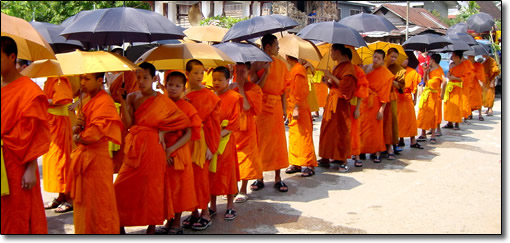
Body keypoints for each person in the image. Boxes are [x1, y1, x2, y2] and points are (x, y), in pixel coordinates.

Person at [114, 62, 190, 234]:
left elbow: (183, 122)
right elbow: (128, 124)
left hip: (153, 148)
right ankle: (120, 225)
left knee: (152, 188)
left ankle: (151, 228)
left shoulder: (161, 99)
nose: (141, 81)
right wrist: (122, 101)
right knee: (120, 186)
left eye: (145, 78)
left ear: (154, 78)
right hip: (134, 146)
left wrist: (162, 130)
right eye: (138, 77)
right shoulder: (132, 97)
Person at [1, 36, 50, 234]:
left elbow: (36, 133)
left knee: (18, 214)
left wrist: (31, 167)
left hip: (18, 164)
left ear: (12, 57)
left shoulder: (29, 90)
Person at [66, 72, 124, 234]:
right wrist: (78, 125)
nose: (82, 83)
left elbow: (93, 135)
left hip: (96, 162)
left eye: (87, 79)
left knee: (99, 205)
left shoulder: (104, 102)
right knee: (85, 205)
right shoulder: (88, 100)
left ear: (99, 81)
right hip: (86, 158)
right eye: (81, 78)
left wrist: (77, 135)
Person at [156, 71, 200, 234]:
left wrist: (171, 150)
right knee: (166, 188)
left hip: (179, 151)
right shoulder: (161, 104)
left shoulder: (187, 106)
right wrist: (163, 150)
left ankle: (176, 223)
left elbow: (189, 134)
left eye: (177, 85)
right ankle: (168, 221)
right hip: (162, 151)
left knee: (179, 189)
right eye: (170, 85)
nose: (173, 88)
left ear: (184, 87)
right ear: (165, 86)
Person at [182, 59, 221, 231]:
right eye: (195, 73)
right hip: (185, 141)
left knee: (200, 178)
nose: (199, 76)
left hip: (202, 140)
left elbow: (214, 124)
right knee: (188, 178)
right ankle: (194, 211)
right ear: (187, 74)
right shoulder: (184, 94)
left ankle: (205, 212)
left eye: (201, 72)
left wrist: (211, 147)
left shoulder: (210, 96)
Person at [252, 34, 290, 193]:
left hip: (275, 108)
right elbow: (254, 88)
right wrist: (265, 73)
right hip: (260, 107)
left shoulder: (281, 65)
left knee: (277, 143)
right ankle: (259, 177)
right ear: (267, 47)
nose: (278, 48)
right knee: (260, 143)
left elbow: (283, 90)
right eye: (276, 45)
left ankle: (278, 177)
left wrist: (284, 108)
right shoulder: (256, 64)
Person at [317, 44, 357, 171]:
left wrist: (331, 75)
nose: (331, 54)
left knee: (341, 131)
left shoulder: (349, 68)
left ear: (338, 51)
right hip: (332, 103)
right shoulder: (338, 67)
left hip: (341, 105)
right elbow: (335, 86)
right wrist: (327, 82)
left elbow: (346, 87)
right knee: (327, 130)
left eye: (332, 51)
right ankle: (326, 157)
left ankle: (343, 160)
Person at [209, 66, 241, 221]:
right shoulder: (209, 97)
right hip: (211, 140)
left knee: (227, 173)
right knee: (211, 173)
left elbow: (234, 123)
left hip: (225, 140)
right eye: (214, 79)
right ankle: (212, 205)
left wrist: (218, 135)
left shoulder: (234, 97)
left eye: (220, 79)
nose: (216, 82)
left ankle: (230, 204)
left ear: (228, 81)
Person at [42, 76, 74, 214]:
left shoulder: (61, 80)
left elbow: (64, 100)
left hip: (60, 124)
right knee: (53, 162)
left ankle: (70, 197)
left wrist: (43, 101)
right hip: (51, 123)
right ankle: (60, 195)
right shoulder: (50, 79)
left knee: (62, 161)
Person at [232, 63, 263, 203]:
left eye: (242, 71)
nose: (239, 75)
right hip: (232, 128)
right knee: (231, 159)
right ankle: (232, 188)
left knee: (246, 158)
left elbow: (247, 106)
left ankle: (243, 189)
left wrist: (240, 88)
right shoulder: (229, 87)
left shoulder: (254, 88)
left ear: (248, 72)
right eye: (237, 71)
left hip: (247, 128)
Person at [284, 55, 317, 177]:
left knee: (304, 136)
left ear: (288, 57)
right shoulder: (294, 69)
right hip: (292, 107)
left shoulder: (298, 70)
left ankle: (309, 164)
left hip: (299, 108)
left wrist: (297, 107)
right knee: (294, 137)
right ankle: (296, 162)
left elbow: (300, 90)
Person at [359, 49, 394, 163]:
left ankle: (377, 152)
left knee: (376, 130)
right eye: (374, 57)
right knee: (362, 128)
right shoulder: (365, 68)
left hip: (376, 103)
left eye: (379, 58)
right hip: (364, 102)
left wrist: (381, 109)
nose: (375, 60)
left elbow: (385, 93)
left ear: (383, 60)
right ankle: (362, 150)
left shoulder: (386, 74)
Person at [396, 57, 422, 149]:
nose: (406, 61)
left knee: (411, 121)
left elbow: (415, 87)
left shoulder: (412, 72)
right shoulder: (395, 70)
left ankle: (413, 140)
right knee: (399, 120)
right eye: (404, 59)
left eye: (407, 59)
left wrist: (415, 99)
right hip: (397, 98)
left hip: (407, 98)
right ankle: (400, 139)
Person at [384, 48, 406, 158]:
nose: (393, 59)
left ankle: (391, 145)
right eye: (392, 56)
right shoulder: (381, 65)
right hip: (379, 98)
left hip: (391, 98)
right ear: (387, 55)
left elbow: (401, 86)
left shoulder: (398, 69)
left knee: (391, 122)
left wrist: (392, 81)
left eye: (395, 57)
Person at [416, 54, 443, 144]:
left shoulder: (439, 70)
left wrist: (442, 93)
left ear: (433, 60)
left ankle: (433, 135)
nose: (428, 61)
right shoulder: (429, 69)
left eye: (430, 59)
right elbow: (425, 81)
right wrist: (426, 73)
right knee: (423, 113)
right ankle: (423, 133)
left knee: (433, 115)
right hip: (426, 94)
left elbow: (439, 82)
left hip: (434, 95)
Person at [350, 61, 369, 168]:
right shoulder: (340, 68)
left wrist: (357, 108)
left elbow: (362, 90)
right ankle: (340, 156)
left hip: (353, 104)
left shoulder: (357, 71)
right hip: (340, 105)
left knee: (354, 131)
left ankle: (356, 155)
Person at [443, 51, 465, 130]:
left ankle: (457, 122)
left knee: (457, 106)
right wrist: (450, 76)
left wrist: (455, 78)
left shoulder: (463, 66)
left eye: (453, 56)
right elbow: (448, 74)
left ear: (458, 57)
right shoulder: (451, 65)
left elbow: (465, 78)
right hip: (450, 88)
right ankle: (449, 122)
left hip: (458, 88)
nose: (452, 57)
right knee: (449, 105)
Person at [466, 52, 485, 121]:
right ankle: (470, 114)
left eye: (470, 57)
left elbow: (481, 75)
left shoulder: (479, 65)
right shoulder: (467, 65)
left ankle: (480, 114)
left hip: (476, 84)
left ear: (473, 57)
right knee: (469, 100)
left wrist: (473, 73)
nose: (469, 58)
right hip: (468, 84)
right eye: (468, 57)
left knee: (478, 99)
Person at [459, 54, 474, 124]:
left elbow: (470, 73)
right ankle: (459, 116)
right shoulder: (458, 63)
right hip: (458, 85)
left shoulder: (467, 63)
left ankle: (465, 115)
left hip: (465, 84)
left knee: (465, 100)